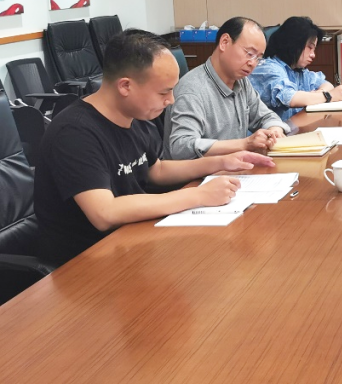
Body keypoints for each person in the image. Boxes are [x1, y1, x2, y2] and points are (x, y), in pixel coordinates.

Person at [34, 29, 274, 267]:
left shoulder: (134, 115)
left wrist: (221, 161)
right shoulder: (74, 132)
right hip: (86, 263)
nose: (171, 100)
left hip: (134, 243)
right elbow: (104, 213)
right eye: (164, 92)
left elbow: (155, 170)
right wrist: (198, 195)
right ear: (125, 86)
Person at [165, 17, 290, 159]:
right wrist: (244, 144)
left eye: (258, 58)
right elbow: (181, 146)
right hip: (201, 173)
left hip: (235, 168)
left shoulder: (241, 82)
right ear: (224, 42)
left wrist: (274, 130)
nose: (252, 63)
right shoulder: (192, 89)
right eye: (249, 54)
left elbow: (265, 116)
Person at [248, 16, 342, 121]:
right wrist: (328, 96)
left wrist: (320, 93)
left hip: (293, 127)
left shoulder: (297, 70)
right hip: (270, 130)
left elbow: (327, 84)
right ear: (294, 43)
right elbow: (291, 98)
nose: (313, 55)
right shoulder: (268, 68)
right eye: (310, 48)